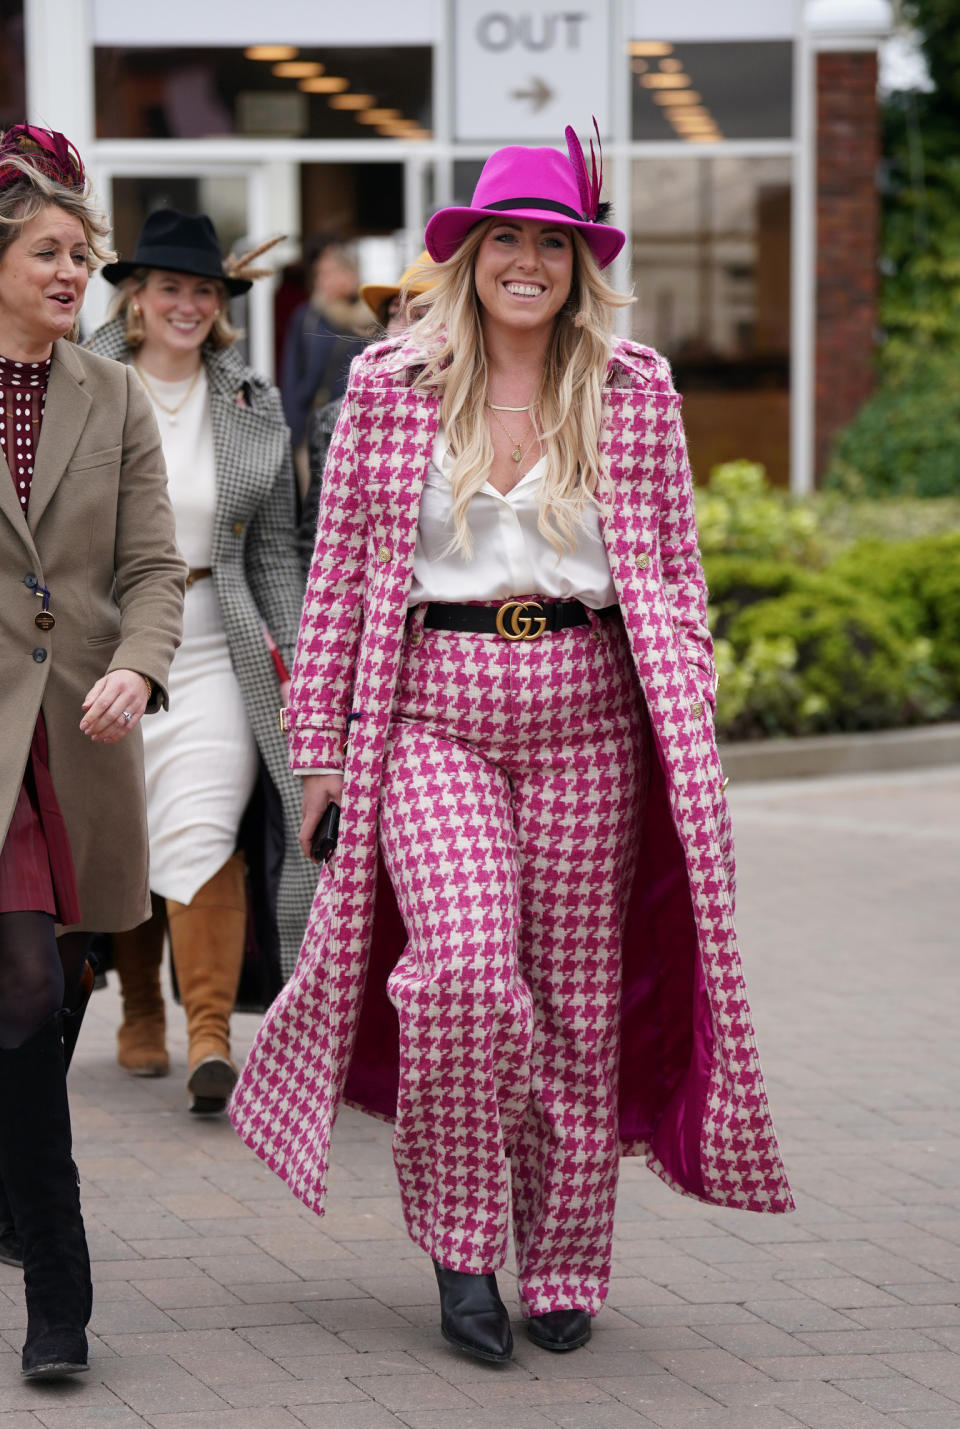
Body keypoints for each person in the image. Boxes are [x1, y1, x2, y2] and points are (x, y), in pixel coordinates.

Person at [230, 126, 794, 1365]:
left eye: (553, 244)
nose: (528, 263)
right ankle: (463, 1243)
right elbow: (338, 578)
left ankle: (569, 1261)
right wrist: (317, 743)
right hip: (434, 709)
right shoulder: (390, 382)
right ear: (470, 256)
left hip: (589, 711)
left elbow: (678, 582)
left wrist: (689, 731)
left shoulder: (635, 386)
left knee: (583, 1013)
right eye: (509, 242)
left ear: (579, 264)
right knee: (472, 970)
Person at [0, 124, 185, 1379]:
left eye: (84, 255)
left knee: (54, 991)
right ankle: (59, 1301)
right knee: (21, 991)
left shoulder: (109, 392)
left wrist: (138, 663)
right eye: (50, 253)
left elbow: (152, 566)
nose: (75, 274)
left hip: (78, 730)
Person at [87, 210, 313, 1112]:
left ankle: (211, 1033)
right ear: (136, 296)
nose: (188, 304)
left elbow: (279, 547)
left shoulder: (251, 397)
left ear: (221, 306)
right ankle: (140, 1002)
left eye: (204, 291)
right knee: (125, 825)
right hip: (107, 633)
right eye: (172, 286)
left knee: (205, 820)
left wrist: (300, 652)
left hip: (219, 633)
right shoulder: (84, 381)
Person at [297, 251, 437, 578]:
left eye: (421, 316)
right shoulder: (336, 422)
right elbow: (316, 546)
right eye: (394, 314)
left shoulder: (477, 418)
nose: (402, 330)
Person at [280, 235, 371, 500]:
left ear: (352, 273)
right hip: (313, 432)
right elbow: (291, 374)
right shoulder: (308, 317)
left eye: (330, 272)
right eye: (320, 274)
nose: (322, 281)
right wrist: (293, 434)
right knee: (316, 509)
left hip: (359, 433)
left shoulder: (370, 317)